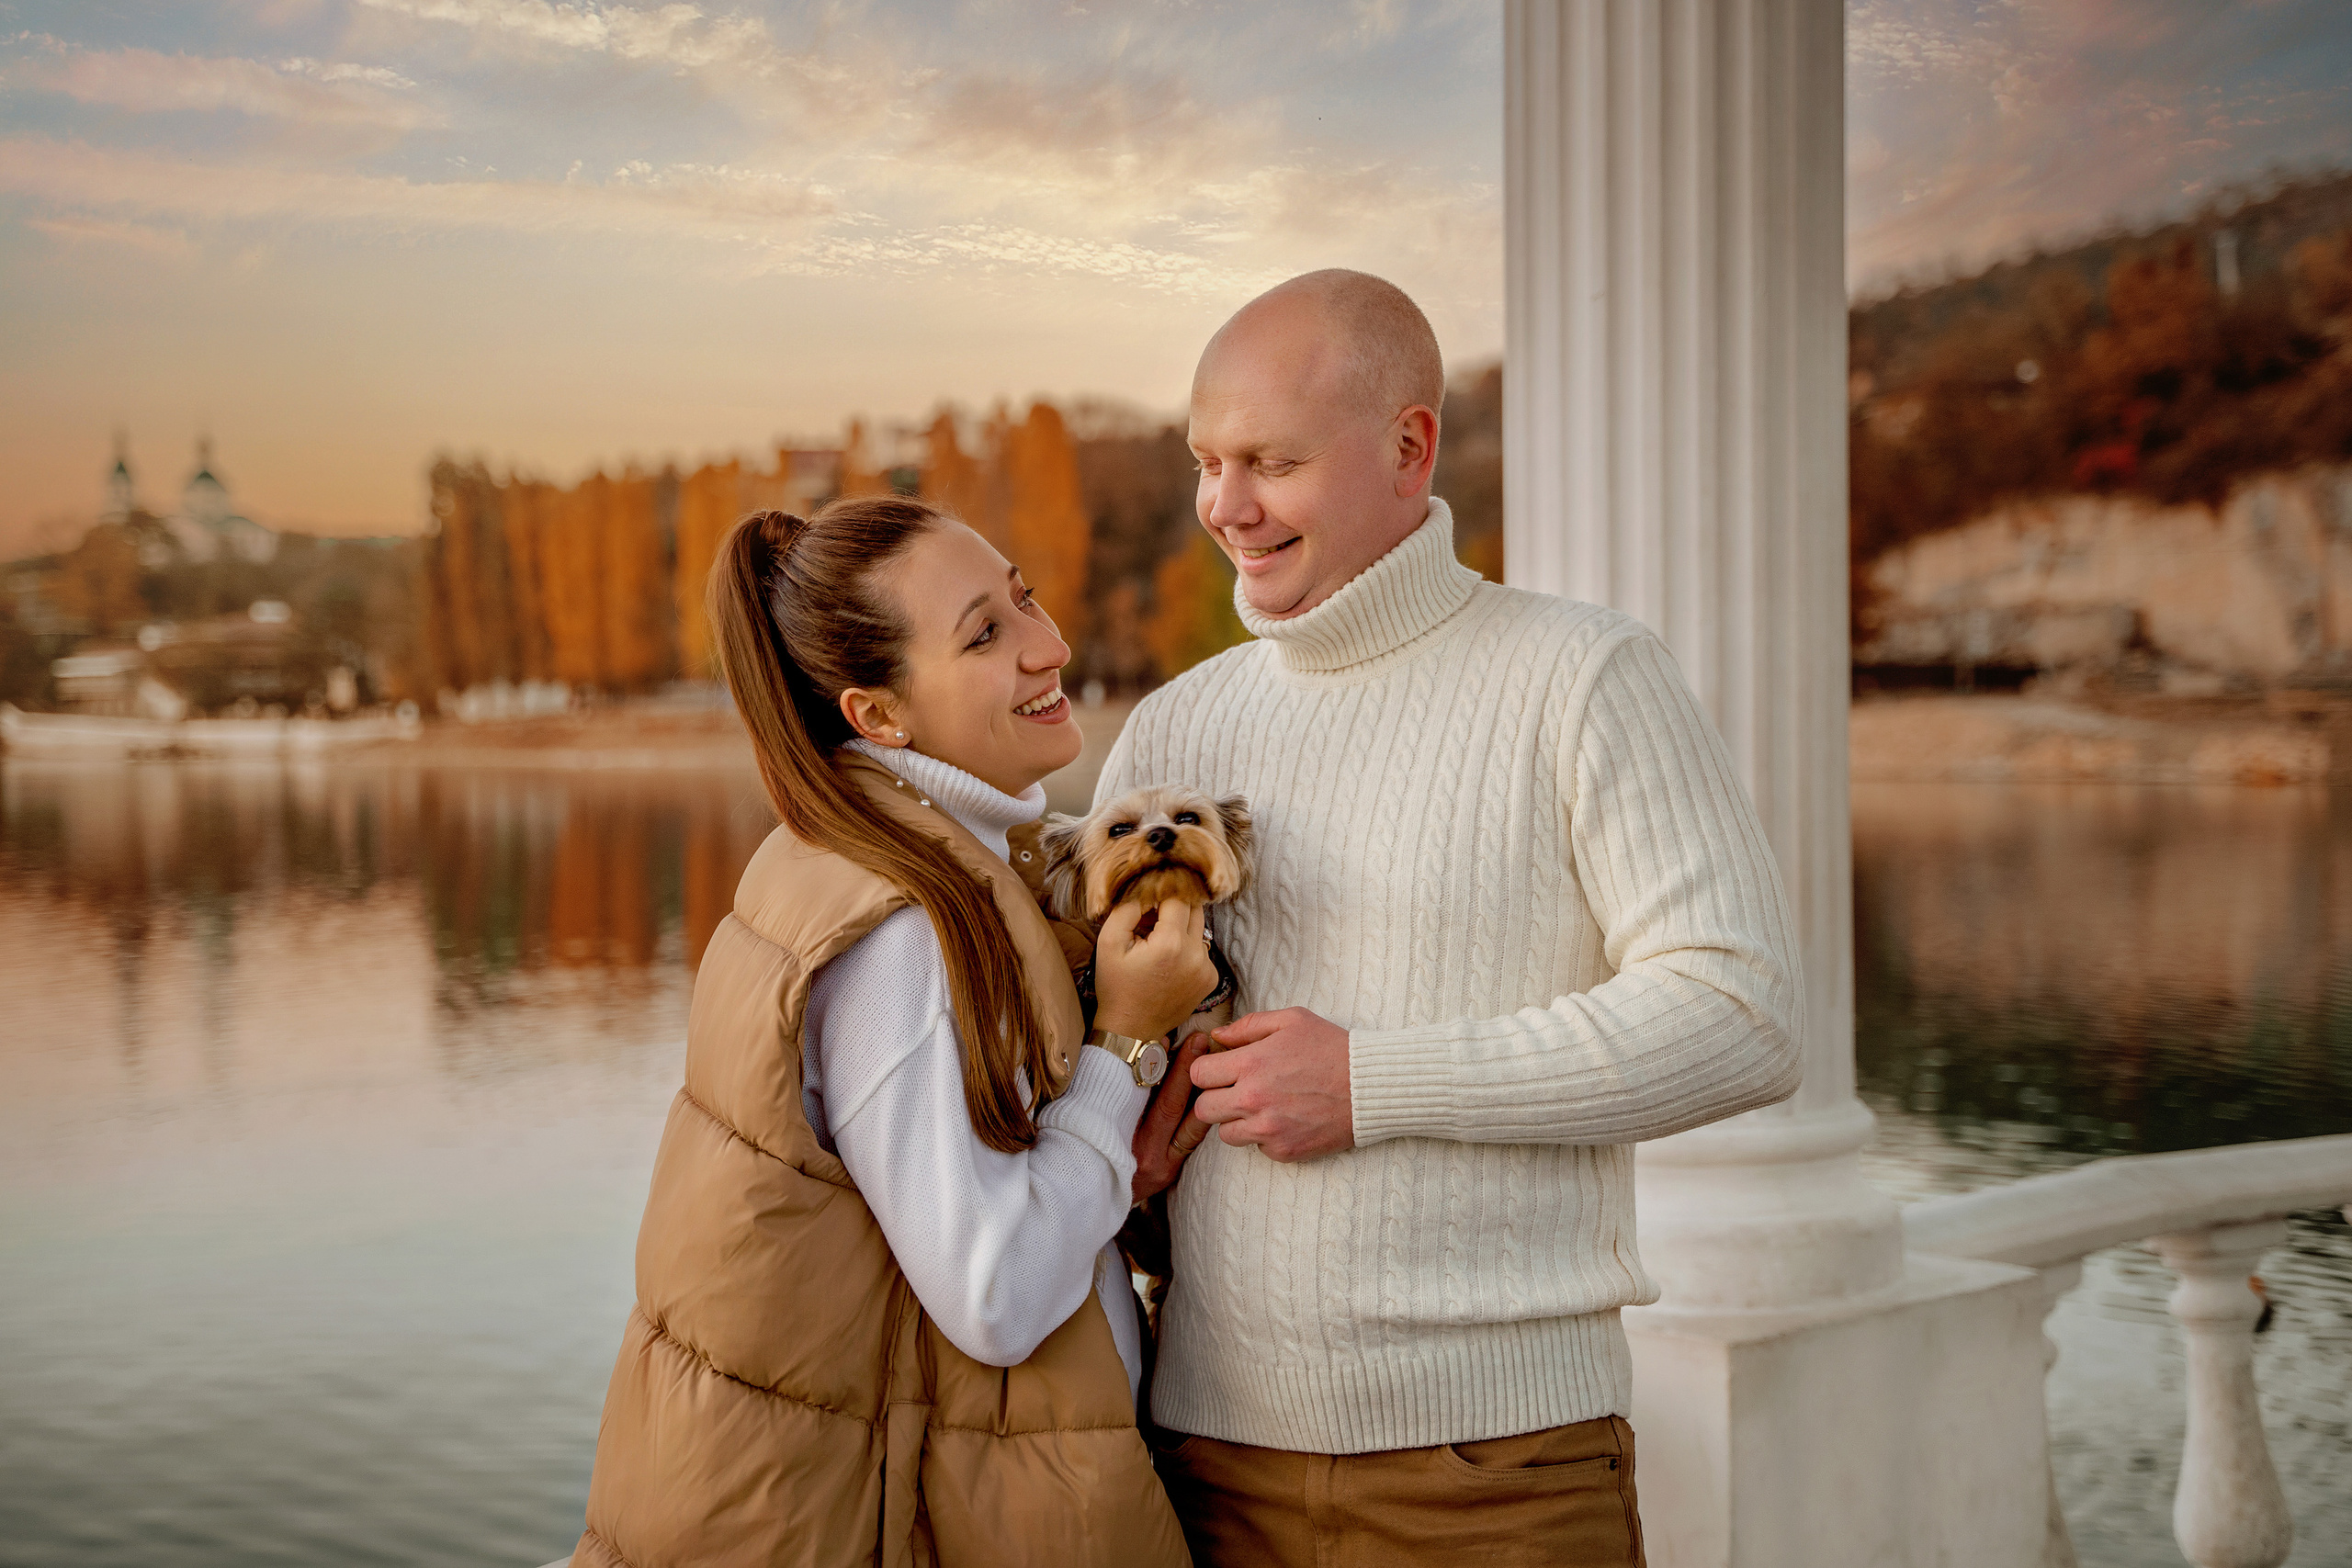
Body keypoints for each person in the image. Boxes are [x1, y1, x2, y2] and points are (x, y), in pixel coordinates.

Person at [1096, 270, 1806, 1566]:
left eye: (1271, 460)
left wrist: (1373, 1079)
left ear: (1409, 444)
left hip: (1498, 1479)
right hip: (1198, 1461)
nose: (1226, 505)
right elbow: (1102, 1047)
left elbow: (1743, 1012)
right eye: (1207, 461)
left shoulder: (1583, 674)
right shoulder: (1172, 727)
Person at [572, 497, 1218, 1568]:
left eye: (1024, 598)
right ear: (877, 717)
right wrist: (1126, 1040)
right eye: (984, 635)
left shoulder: (875, 854)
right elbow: (995, 1296)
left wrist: (1115, 1171)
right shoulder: (905, 927)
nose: (1047, 645)